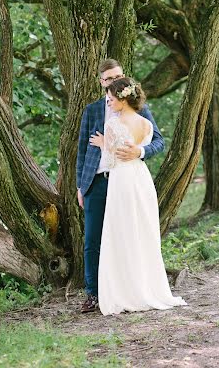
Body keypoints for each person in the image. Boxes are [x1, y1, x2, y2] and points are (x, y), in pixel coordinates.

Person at [90, 77, 187, 315]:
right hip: (141, 179)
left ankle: (125, 291)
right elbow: (147, 146)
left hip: (121, 180)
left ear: (123, 98)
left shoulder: (113, 124)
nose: (109, 102)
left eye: (111, 98)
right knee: (142, 232)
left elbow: (112, 160)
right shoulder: (145, 123)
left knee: (121, 233)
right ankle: (147, 288)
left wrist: (104, 144)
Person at [76, 59, 165, 313]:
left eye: (118, 77)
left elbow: (158, 141)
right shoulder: (92, 110)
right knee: (93, 241)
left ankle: (129, 290)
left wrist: (139, 151)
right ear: (101, 82)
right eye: (109, 79)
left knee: (126, 237)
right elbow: (82, 150)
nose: (114, 82)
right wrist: (80, 186)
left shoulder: (140, 109)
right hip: (97, 182)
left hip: (126, 182)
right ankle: (93, 295)